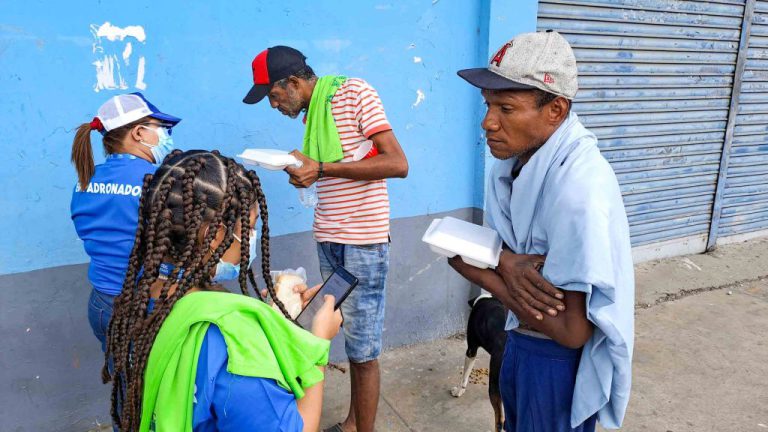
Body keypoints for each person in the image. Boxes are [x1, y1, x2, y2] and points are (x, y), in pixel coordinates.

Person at [453, 31, 634, 431]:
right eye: (487, 105)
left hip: (555, 363)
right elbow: (513, 256)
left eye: (506, 108)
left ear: (555, 109)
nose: (488, 122)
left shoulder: (578, 191)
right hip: (518, 338)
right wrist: (503, 260)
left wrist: (486, 276)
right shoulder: (515, 166)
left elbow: (572, 331)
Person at [102, 150, 343, 431]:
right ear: (214, 236)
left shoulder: (141, 294)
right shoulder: (235, 344)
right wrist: (318, 345)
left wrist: (270, 322)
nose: (251, 237)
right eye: (250, 227)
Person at [243, 46, 409, 432]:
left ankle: (363, 429)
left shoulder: (354, 93)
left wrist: (320, 168)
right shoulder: (314, 114)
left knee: (363, 348)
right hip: (329, 237)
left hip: (362, 240)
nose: (273, 105)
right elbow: (335, 170)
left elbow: (397, 163)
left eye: (274, 96)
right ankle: (353, 422)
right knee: (340, 329)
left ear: (294, 82)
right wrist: (307, 171)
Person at [70, 92, 181, 353]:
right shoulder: (159, 180)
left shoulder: (85, 180)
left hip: (101, 303)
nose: (167, 136)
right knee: (155, 377)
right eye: (162, 128)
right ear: (139, 132)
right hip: (145, 305)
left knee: (120, 372)